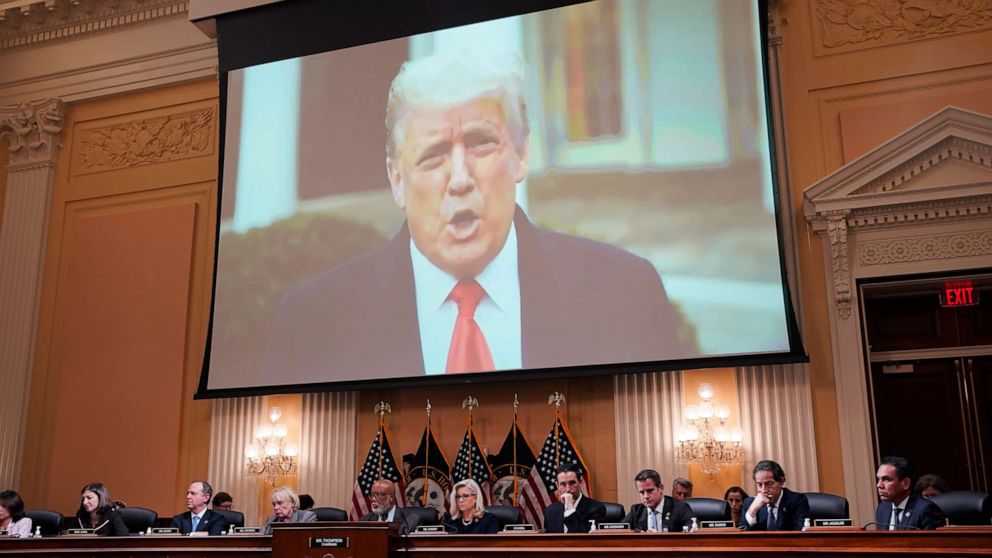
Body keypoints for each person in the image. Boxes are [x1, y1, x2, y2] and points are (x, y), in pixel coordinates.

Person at [260, 49, 688, 384]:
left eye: (481, 143)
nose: (460, 179)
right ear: (396, 179)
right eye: (433, 155)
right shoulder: (311, 319)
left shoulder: (625, 291)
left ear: (521, 154)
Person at [875, 456, 945, 530]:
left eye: (886, 479)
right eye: (878, 479)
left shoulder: (925, 510)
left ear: (905, 483)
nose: (879, 485)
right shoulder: (882, 509)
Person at [740, 460, 810, 531]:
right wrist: (752, 510)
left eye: (769, 484)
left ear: (781, 482)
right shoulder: (749, 503)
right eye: (760, 485)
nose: (764, 490)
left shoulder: (797, 500)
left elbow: (801, 533)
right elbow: (740, 535)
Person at [621, 469, 693, 532]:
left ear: (661, 488)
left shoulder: (680, 508)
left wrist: (660, 538)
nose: (646, 496)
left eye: (650, 491)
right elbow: (620, 531)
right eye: (642, 492)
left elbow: (692, 533)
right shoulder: (636, 511)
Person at [543, 462, 606, 533]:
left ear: (580, 482)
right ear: (557, 486)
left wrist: (570, 509)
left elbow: (583, 540)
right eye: (563, 484)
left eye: (572, 483)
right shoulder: (550, 511)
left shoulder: (595, 508)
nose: (568, 489)